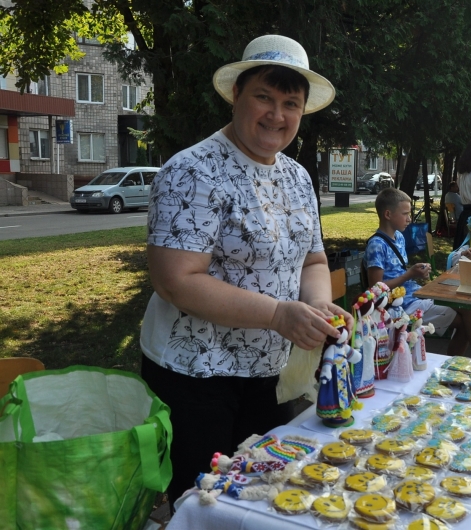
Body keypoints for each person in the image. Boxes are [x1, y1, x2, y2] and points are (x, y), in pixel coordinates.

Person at [140, 34, 351, 508]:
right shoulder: (191, 170)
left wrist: (317, 304)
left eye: (290, 103)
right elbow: (176, 280)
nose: (277, 115)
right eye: (264, 97)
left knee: (261, 497)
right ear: (237, 95)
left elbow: (313, 260)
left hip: (266, 373)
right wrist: (278, 315)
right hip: (197, 378)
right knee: (204, 502)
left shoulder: (296, 177)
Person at [366, 188, 471, 356]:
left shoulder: (398, 237)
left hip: (416, 295)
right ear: (388, 214)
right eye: (405, 214)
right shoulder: (376, 245)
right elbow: (375, 288)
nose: (409, 218)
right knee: (469, 316)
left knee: (470, 310)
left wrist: (416, 272)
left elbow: (396, 271)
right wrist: (410, 274)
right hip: (402, 307)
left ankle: (457, 364)